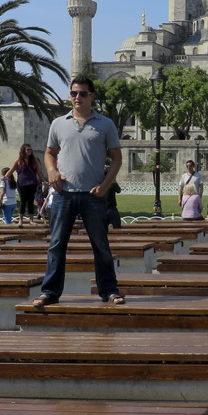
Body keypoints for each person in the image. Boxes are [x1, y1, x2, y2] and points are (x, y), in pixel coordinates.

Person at [34, 75, 124, 307]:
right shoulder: (59, 123)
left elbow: (116, 158)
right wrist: (52, 171)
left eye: (83, 93)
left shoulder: (105, 124)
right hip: (64, 194)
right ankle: (50, 292)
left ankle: (109, 291)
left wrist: (105, 185)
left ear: (92, 96)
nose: (77, 97)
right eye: (74, 93)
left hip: (93, 196)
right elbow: (49, 152)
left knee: (101, 245)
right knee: (56, 244)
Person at [9, 144, 45, 227]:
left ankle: (31, 220)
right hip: (22, 183)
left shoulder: (34, 160)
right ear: (23, 150)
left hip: (32, 183)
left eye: (30, 150)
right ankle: (20, 221)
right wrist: (5, 177)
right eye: (28, 149)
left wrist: (44, 180)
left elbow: (39, 171)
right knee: (23, 201)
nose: (29, 151)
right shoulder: (18, 160)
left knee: (31, 201)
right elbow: (11, 170)